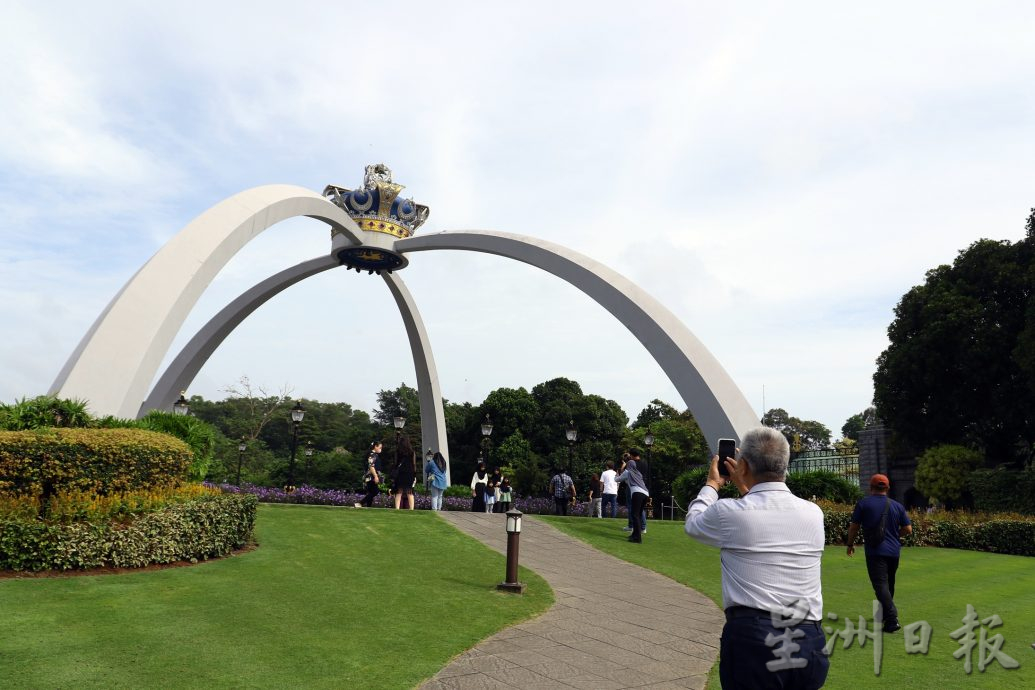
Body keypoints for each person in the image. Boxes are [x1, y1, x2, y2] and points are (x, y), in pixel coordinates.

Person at [684, 427, 828, 689]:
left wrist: (712, 485)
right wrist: (745, 486)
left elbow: (694, 524)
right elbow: (766, 516)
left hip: (755, 637)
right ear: (784, 465)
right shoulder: (813, 513)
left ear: (744, 465)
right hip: (808, 637)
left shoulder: (730, 513)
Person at [846, 474, 913, 633]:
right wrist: (895, 536)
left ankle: (892, 619)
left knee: (880, 585)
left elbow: (854, 527)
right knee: (889, 584)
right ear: (888, 488)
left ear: (871, 487)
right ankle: (884, 614)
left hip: (875, 550)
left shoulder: (864, 504)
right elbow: (908, 530)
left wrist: (850, 543)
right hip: (894, 551)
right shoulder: (897, 506)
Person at [616, 449, 649, 542]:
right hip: (645, 491)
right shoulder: (642, 468)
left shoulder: (629, 470)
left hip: (636, 491)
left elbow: (618, 479)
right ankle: (636, 533)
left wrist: (623, 466)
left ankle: (637, 537)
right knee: (638, 513)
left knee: (634, 514)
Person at [392, 435, 417, 510]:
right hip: (409, 473)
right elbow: (414, 464)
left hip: (400, 473)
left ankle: (397, 508)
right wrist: (414, 475)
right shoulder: (412, 452)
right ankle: (411, 509)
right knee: (409, 491)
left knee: (399, 491)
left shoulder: (398, 452)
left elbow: (395, 463)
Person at [359, 441, 382, 507]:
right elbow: (371, 466)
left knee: (371, 492)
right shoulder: (372, 455)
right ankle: (360, 503)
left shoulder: (372, 454)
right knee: (375, 491)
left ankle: (368, 507)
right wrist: (376, 476)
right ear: (375, 447)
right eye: (380, 447)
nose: (381, 449)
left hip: (369, 476)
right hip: (371, 476)